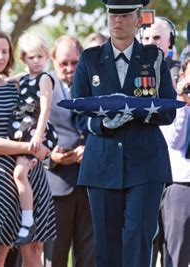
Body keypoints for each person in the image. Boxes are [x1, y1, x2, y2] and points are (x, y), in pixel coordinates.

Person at [71, 1, 176, 266]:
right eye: (112, 14)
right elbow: (77, 113)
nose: (117, 20)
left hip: (146, 163)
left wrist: (136, 110)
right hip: (102, 162)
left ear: (139, 18)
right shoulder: (90, 58)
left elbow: (168, 110)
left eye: (125, 15)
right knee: (106, 244)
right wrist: (104, 125)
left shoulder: (154, 58)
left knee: (138, 238)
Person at [0, 28, 56, 267]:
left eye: (5, 52)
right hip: (0, 175)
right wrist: (29, 146)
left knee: (35, 248)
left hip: (31, 171)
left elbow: (38, 117)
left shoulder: (16, 85)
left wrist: (41, 148)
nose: (0, 57)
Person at [44, 35, 95, 267]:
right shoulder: (43, 88)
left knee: (90, 255)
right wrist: (50, 157)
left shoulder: (97, 85)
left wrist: (92, 149)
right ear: (53, 61)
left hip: (91, 183)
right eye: (63, 63)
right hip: (57, 183)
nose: (69, 68)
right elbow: (33, 132)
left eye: (75, 62)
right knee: (54, 255)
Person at [7, 32, 55, 246]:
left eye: (40, 57)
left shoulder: (45, 78)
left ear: (46, 57)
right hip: (22, 129)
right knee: (18, 174)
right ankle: (24, 218)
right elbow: (5, 80)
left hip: (36, 129)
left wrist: (37, 133)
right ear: (23, 59)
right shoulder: (23, 78)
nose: (36, 61)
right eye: (31, 57)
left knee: (19, 174)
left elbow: (45, 108)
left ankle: (27, 221)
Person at [159, 54, 190, 267]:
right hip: (182, 184)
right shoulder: (175, 105)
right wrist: (183, 101)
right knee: (176, 255)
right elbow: (174, 141)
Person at [141, 17, 181, 86]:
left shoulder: (182, 70)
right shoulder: (132, 67)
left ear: (170, 40)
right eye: (146, 38)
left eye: (156, 37)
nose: (150, 42)